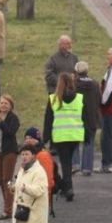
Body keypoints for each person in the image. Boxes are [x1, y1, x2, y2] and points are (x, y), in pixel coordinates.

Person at [43, 72, 90, 202]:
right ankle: (67, 187)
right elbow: (85, 117)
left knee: (65, 162)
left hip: (60, 135)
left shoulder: (53, 98)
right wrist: (87, 135)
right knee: (68, 161)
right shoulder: (80, 98)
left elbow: (48, 119)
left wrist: (45, 138)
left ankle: (67, 188)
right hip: (75, 135)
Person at [12, 144, 48, 223]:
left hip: (34, 210)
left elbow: (40, 190)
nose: (24, 157)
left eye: (27, 154)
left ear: (33, 156)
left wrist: (25, 188)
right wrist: (14, 188)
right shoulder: (23, 169)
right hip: (23, 210)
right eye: (22, 154)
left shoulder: (38, 171)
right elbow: (19, 185)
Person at [22, 128, 55, 223]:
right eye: (27, 137)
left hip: (40, 195)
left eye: (32, 138)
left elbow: (47, 178)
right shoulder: (29, 155)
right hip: (31, 194)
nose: (29, 140)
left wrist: (43, 193)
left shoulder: (42, 156)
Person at [74, 61, 102, 175]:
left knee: (74, 142)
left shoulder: (73, 84)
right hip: (92, 118)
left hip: (76, 117)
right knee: (89, 143)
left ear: (76, 71)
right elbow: (100, 100)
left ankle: (75, 164)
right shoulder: (95, 84)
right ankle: (87, 168)